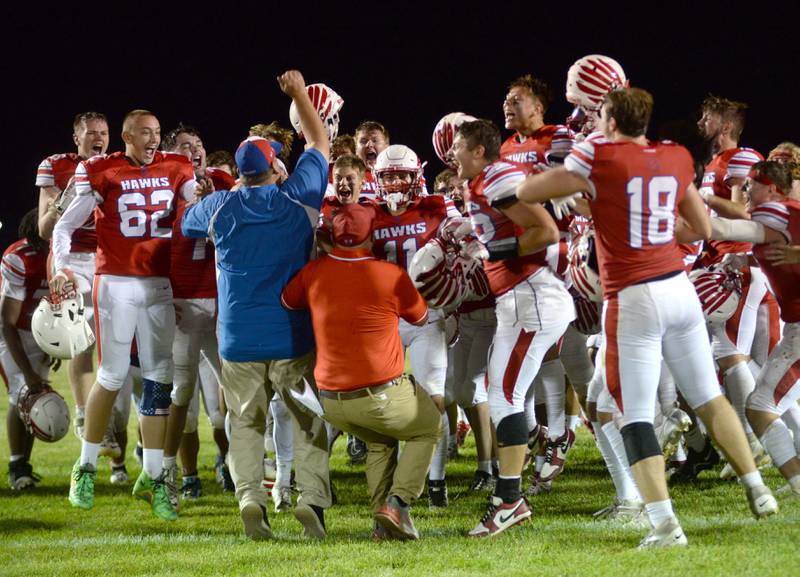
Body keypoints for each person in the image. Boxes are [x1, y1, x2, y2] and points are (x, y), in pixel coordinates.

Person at [516, 87, 778, 547]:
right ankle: (757, 487)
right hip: (678, 289)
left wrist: (582, 159)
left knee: (632, 415)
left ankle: (664, 524)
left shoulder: (599, 157)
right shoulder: (676, 156)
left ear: (610, 121)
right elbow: (700, 227)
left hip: (632, 299)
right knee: (708, 397)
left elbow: (527, 190)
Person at [181, 70, 332, 541]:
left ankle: (250, 497)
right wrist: (298, 93)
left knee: (244, 423)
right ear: (276, 168)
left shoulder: (220, 206)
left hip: (237, 336)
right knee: (308, 421)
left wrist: (218, 196)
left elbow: (188, 224)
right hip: (291, 333)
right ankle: (310, 502)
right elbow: (320, 140)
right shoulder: (298, 199)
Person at [53, 109, 198, 521]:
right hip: (115, 282)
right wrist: (62, 266)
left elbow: (195, 208)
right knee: (113, 375)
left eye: (157, 132)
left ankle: (153, 477)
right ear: (127, 136)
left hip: (158, 284)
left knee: (159, 380)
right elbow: (63, 228)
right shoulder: (102, 169)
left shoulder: (177, 167)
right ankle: (84, 466)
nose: (153, 140)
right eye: (145, 133)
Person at [282, 202, 440, 540]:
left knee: (380, 442)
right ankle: (398, 503)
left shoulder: (314, 272)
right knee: (428, 427)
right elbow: (422, 318)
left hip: (332, 404)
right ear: (372, 236)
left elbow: (288, 301)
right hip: (378, 395)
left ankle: (381, 524)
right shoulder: (390, 274)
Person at [451, 119, 573, 537]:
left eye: (459, 147)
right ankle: (517, 484)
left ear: (480, 151)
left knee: (504, 396)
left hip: (530, 298)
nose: (453, 154)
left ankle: (509, 500)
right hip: (519, 299)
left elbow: (546, 230)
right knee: (505, 395)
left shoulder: (498, 175)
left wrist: (488, 250)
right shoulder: (482, 181)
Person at [159, 124, 236, 504]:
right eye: (186, 146)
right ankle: (168, 473)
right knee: (182, 394)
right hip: (184, 304)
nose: (195, 150)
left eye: (199, 143)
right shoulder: (166, 189)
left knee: (239, 390)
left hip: (222, 304)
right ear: (172, 154)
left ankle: (245, 469)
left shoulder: (222, 180)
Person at [36, 112, 109, 446]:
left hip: (109, 259)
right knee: (80, 340)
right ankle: (85, 414)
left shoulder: (117, 164)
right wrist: (63, 201)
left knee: (113, 343)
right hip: (71, 258)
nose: (99, 138)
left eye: (104, 133)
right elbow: (45, 229)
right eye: (92, 133)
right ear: (76, 137)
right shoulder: (56, 165)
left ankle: (110, 422)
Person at [1, 209, 50, 490]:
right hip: (9, 332)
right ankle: (17, 466)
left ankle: (23, 467)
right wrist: (28, 372)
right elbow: (6, 323)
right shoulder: (19, 258)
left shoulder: (59, 255)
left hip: (37, 331)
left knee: (36, 396)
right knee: (22, 393)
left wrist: (53, 346)